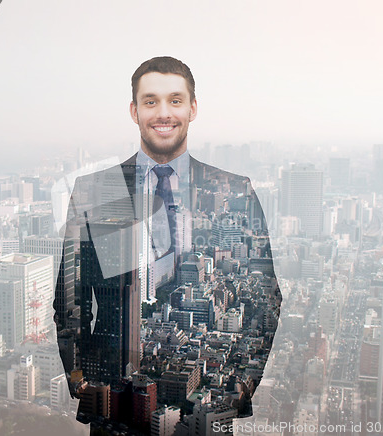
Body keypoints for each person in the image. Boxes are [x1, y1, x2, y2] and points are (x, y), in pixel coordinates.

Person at [54, 56, 281, 434]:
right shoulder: (96, 190)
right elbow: (69, 298)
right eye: (150, 101)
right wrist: (80, 380)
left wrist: (235, 393)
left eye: (175, 100)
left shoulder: (236, 189)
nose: (163, 113)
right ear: (134, 110)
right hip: (114, 401)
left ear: (193, 109)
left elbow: (267, 298)